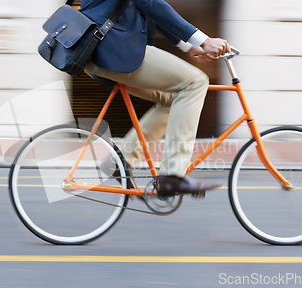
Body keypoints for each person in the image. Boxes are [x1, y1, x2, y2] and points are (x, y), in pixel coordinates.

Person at [80, 0, 230, 198]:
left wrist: (189, 46)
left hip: (103, 49)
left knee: (173, 100)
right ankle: (172, 176)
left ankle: (120, 161)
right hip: (115, 48)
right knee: (196, 82)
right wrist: (202, 40)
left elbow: (144, 8)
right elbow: (150, 3)